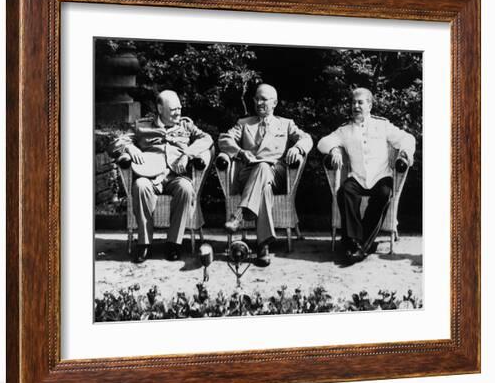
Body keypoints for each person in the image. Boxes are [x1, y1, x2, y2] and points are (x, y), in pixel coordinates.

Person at [111, 90, 213, 263]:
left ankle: (174, 243)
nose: (178, 112)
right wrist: (130, 148)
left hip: (176, 176)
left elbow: (207, 139)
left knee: (186, 188)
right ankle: (144, 244)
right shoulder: (142, 126)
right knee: (140, 186)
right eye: (173, 109)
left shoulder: (186, 125)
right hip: (150, 176)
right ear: (160, 108)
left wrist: (188, 153)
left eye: (179, 108)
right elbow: (115, 143)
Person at [218, 83, 313, 267]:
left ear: (275, 102)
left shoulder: (285, 124)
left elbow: (307, 138)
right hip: (249, 174)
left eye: (264, 99)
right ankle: (263, 246)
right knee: (264, 186)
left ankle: (238, 215)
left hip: (277, 173)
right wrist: (240, 152)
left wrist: (297, 147)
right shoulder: (244, 124)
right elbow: (224, 139)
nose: (259, 102)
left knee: (264, 168)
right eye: (256, 99)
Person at [317, 87, 416, 263]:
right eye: (353, 102)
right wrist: (334, 150)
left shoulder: (382, 125)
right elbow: (323, 142)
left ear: (369, 105)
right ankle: (357, 243)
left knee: (384, 193)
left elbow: (407, 138)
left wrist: (404, 154)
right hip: (358, 178)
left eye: (360, 102)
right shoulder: (345, 130)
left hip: (380, 176)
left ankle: (358, 244)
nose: (356, 106)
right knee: (345, 192)